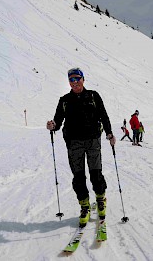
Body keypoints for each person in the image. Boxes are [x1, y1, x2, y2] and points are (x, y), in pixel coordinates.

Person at [46, 68, 116, 227]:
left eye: (77, 79)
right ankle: (84, 207)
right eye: (71, 80)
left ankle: (100, 200)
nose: (75, 82)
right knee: (78, 177)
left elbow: (103, 115)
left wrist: (110, 134)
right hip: (74, 143)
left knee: (95, 173)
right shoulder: (64, 100)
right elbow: (57, 122)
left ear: (83, 79)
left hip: (93, 141)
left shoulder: (93, 96)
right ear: (69, 82)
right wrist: (52, 125)